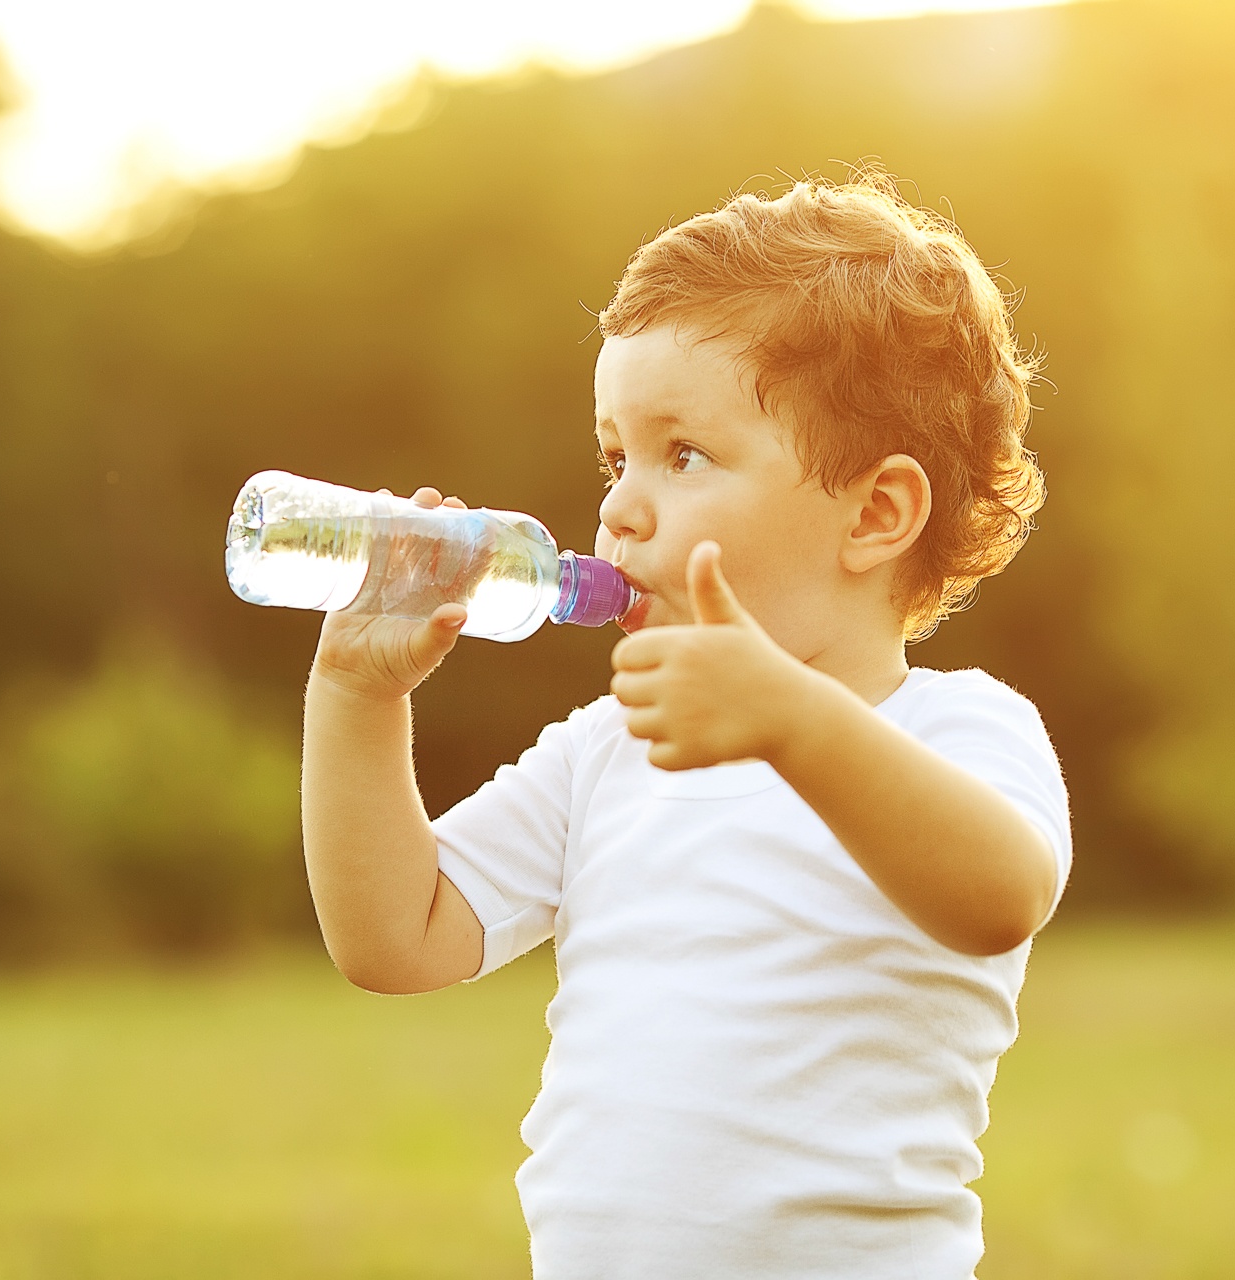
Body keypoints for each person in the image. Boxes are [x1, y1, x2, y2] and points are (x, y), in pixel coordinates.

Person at [301, 171, 1070, 1279]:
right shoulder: (610, 745)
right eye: (616, 455)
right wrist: (359, 698)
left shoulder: (957, 729)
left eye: (684, 454)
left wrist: (790, 721)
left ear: (875, 512)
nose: (618, 505)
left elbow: (1000, 897)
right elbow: (396, 938)